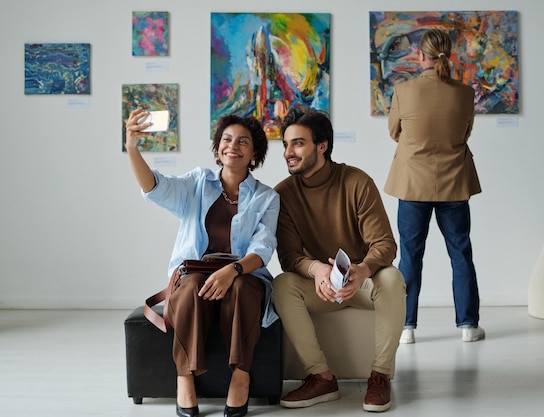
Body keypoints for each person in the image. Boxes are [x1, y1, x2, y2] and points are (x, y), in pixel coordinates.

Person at [125, 109, 279, 417]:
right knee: (192, 284)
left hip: (243, 273)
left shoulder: (266, 197)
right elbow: (155, 187)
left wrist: (231, 271)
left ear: (255, 153)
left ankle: (241, 375)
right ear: (218, 147)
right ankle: (185, 375)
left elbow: (262, 248)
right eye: (226, 139)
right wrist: (132, 147)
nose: (232, 146)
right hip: (195, 272)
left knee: (244, 290)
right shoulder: (198, 182)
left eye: (243, 141)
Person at [271, 107, 406, 413]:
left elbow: (384, 243)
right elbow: (289, 256)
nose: (288, 153)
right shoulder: (284, 195)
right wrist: (317, 268)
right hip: (319, 286)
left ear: (322, 146)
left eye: (298, 143)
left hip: (362, 282)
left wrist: (363, 269)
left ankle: (380, 375)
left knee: (392, 278)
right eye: (286, 145)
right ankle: (320, 377)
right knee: (282, 285)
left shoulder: (357, 182)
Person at [384, 29, 485, 344]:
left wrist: (417, 144)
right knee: (461, 253)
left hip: (413, 184)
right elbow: (464, 134)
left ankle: (405, 327)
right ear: (448, 55)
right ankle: (468, 326)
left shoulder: (404, 90)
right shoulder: (465, 93)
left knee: (411, 256)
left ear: (420, 56)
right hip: (454, 183)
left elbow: (393, 131)